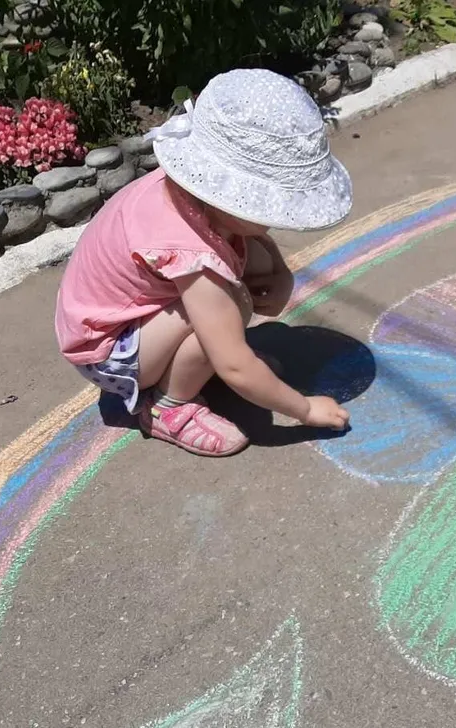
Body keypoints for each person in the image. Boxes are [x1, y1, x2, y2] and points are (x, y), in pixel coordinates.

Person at [54, 69, 352, 457]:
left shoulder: (188, 194)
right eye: (268, 207)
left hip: (107, 319)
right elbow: (236, 367)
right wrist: (305, 408)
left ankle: (194, 360)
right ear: (230, 193)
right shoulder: (192, 255)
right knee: (230, 304)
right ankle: (168, 405)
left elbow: (250, 238)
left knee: (241, 275)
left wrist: (280, 273)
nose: (274, 219)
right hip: (109, 352)